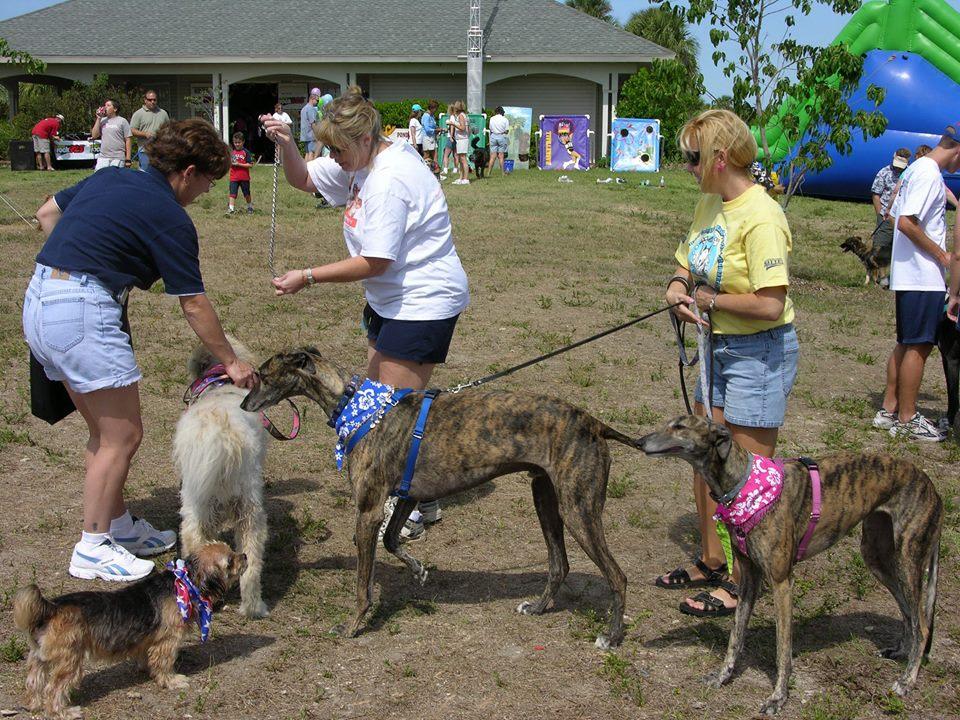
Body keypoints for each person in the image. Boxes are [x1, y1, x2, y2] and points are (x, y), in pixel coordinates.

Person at [22, 118, 257, 582]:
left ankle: (116, 524)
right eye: (208, 182)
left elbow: (47, 213)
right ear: (188, 172)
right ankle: (92, 547)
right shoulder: (170, 217)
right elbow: (193, 302)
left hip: (41, 297)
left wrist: (86, 257)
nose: (206, 192)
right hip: (83, 311)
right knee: (123, 437)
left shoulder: (111, 175)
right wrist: (231, 362)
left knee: (102, 430)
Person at [260, 85, 470, 540]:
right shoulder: (359, 158)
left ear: (364, 138)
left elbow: (376, 260)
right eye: (326, 148)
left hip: (422, 302)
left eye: (335, 148)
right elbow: (304, 180)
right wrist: (287, 145)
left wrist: (308, 276)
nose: (330, 157)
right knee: (375, 403)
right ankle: (424, 497)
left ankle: (406, 509)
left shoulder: (390, 179)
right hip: (388, 302)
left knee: (389, 417)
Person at [657, 109, 798, 617]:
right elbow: (685, 262)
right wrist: (678, 288)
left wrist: (709, 300)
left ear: (719, 157)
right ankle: (712, 560)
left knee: (747, 477)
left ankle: (745, 582)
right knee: (705, 457)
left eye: (693, 157)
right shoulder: (708, 205)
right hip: (715, 350)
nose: (687, 166)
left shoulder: (762, 216)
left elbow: (769, 303)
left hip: (757, 353)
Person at [872, 123, 960, 442]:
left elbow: (894, 214)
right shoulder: (929, 174)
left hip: (909, 271)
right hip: (923, 275)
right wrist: (942, 255)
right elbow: (907, 223)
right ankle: (908, 418)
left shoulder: (913, 170)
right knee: (920, 347)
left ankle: (890, 408)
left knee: (907, 342)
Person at [870, 148, 911, 267]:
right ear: (894, 156)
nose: (898, 168)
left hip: (903, 216)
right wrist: (880, 214)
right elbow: (876, 194)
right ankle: (879, 276)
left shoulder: (910, 173)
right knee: (880, 247)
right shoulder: (884, 172)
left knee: (900, 248)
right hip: (885, 215)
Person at [129, 90, 170, 170]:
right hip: (145, 150)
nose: (152, 102)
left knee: (160, 173)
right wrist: (145, 134)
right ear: (145, 100)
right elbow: (132, 130)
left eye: (154, 100)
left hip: (160, 150)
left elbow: (168, 129)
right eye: (150, 100)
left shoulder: (163, 113)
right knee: (146, 173)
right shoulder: (138, 114)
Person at [90, 99, 132, 171]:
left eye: (108, 105)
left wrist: (128, 158)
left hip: (118, 158)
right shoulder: (102, 121)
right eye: (105, 105)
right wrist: (98, 118)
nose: (105, 107)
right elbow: (94, 135)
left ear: (115, 109)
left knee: (115, 180)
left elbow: (128, 140)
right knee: (99, 179)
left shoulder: (122, 121)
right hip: (103, 157)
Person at [227, 132, 255, 214]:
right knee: (232, 193)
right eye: (235, 142)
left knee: (246, 193)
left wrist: (239, 164)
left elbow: (250, 165)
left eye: (239, 142)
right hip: (234, 177)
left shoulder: (246, 152)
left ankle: (249, 207)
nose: (237, 144)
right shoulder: (232, 153)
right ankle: (231, 209)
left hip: (244, 177)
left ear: (243, 142)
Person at [448, 100, 470, 185]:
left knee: (463, 159)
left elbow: (462, 128)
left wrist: (453, 124)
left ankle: (466, 178)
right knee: (461, 159)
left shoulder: (461, 116)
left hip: (462, 139)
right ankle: (461, 178)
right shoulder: (465, 115)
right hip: (462, 139)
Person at [487, 106, 510, 175]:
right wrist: (503, 132)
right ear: (502, 112)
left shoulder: (492, 118)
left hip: (493, 136)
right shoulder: (505, 119)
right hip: (501, 136)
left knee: (492, 156)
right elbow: (507, 131)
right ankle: (503, 173)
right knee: (501, 156)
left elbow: (490, 129)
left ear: (496, 112)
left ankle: (488, 173)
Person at [300, 88, 321, 161]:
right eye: (317, 100)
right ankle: (311, 170)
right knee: (311, 152)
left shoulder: (303, 108)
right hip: (310, 134)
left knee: (307, 153)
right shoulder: (310, 108)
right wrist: (316, 134)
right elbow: (313, 123)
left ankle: (306, 169)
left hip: (304, 134)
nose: (317, 102)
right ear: (312, 99)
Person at [421, 100, 439, 171]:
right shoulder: (426, 116)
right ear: (432, 108)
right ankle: (422, 170)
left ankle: (436, 171)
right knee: (427, 155)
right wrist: (435, 130)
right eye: (436, 108)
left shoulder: (432, 116)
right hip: (427, 137)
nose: (436, 110)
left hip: (432, 137)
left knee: (435, 154)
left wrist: (437, 128)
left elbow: (433, 126)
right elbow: (427, 128)